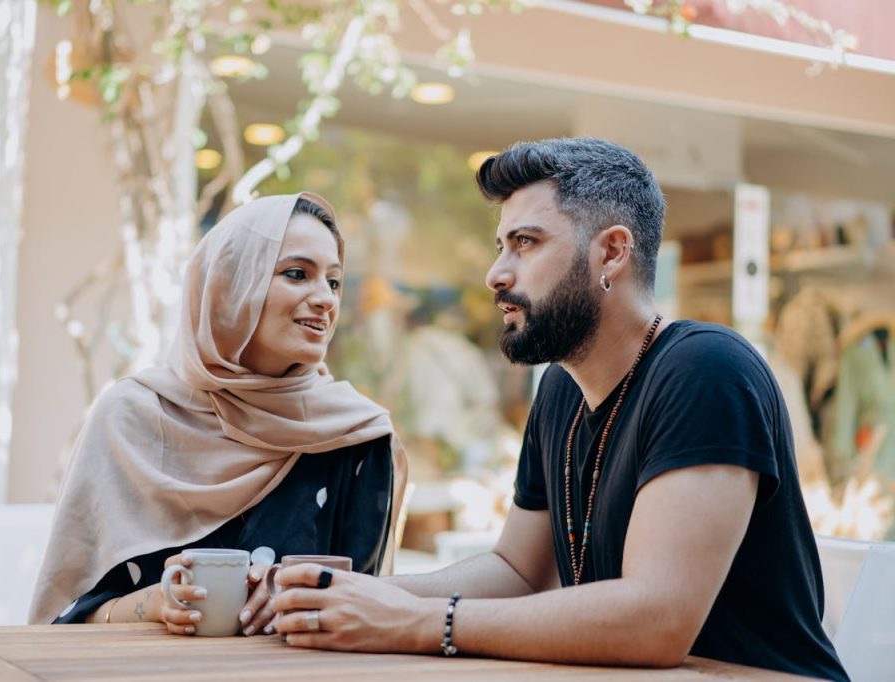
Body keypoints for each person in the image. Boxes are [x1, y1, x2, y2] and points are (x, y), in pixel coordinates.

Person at [271, 138, 848, 680]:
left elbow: (656, 620)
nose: (496, 274)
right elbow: (519, 571)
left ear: (612, 252)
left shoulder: (707, 371)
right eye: (501, 246)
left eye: (525, 242)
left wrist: (420, 622)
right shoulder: (562, 389)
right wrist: (351, 597)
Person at [29, 193, 407, 637]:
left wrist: (305, 597)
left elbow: (366, 612)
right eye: (296, 274)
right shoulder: (130, 418)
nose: (325, 298)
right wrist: (153, 603)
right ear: (230, 285)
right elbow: (63, 621)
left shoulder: (356, 436)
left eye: (335, 282)